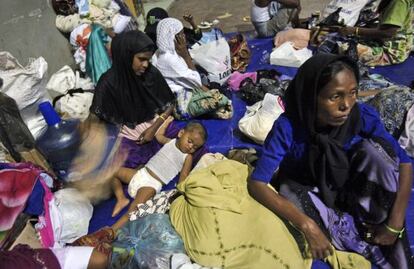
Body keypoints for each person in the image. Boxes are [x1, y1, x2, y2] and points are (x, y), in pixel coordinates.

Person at [248, 54, 413, 268]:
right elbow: (257, 183)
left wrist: (395, 222)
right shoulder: (289, 127)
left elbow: (405, 162)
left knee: (378, 153)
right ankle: (356, 237)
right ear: (311, 97)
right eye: (335, 96)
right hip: (309, 190)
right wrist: (307, 226)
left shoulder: (361, 115)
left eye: (353, 93)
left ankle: (372, 223)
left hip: (348, 187)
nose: (346, 105)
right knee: (289, 192)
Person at [89, 30, 176, 165]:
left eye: (148, 59)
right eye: (141, 59)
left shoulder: (150, 74)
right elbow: (96, 116)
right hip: (128, 135)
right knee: (125, 163)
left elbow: (170, 104)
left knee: (187, 144)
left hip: (159, 124)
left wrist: (153, 129)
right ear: (126, 56)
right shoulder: (108, 82)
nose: (146, 65)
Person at [111, 119, 207, 230]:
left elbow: (183, 177)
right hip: (141, 173)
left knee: (134, 209)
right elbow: (158, 136)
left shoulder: (187, 157)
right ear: (181, 133)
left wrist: (180, 192)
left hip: (151, 184)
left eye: (195, 147)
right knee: (112, 172)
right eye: (189, 141)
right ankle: (121, 198)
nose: (191, 147)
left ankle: (111, 230)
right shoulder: (170, 142)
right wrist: (165, 122)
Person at [152, 18, 232, 120]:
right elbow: (196, 82)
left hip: (183, 93)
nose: (184, 37)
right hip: (181, 105)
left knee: (216, 93)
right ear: (172, 37)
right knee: (224, 102)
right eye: (181, 34)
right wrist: (186, 56)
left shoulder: (159, 52)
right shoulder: (169, 59)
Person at [338, 0, 413, 66]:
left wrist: (355, 30)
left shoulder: (399, 2)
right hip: (402, 49)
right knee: (353, 40)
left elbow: (388, 32)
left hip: (392, 53)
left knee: (343, 48)